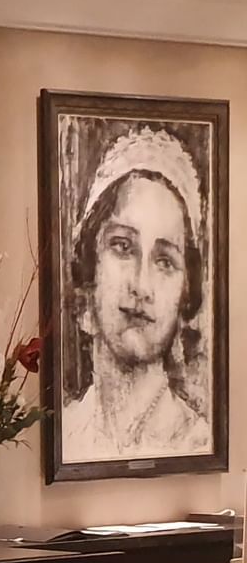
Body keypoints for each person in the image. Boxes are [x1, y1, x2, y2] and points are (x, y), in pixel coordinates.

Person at [62, 125, 213, 462]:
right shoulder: (68, 430)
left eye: (164, 261)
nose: (141, 286)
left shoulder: (194, 440)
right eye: (123, 247)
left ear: (185, 296)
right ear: (90, 269)